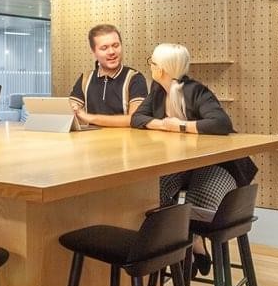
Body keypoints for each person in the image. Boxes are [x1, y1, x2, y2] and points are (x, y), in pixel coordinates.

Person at [131, 43, 258, 214]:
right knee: (150, 193)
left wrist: (181, 126)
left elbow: (221, 123)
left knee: (199, 201)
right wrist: (163, 124)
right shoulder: (158, 90)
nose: (150, 67)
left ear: (160, 69)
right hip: (181, 165)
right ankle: (171, 237)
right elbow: (137, 118)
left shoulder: (196, 91)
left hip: (216, 164)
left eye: (152, 63)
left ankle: (196, 240)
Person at [69, 24, 148, 127]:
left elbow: (135, 119)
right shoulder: (85, 78)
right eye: (104, 48)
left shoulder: (135, 78)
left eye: (115, 46)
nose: (111, 52)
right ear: (93, 52)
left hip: (124, 141)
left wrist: (89, 117)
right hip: (91, 141)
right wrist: (73, 109)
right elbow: (70, 110)